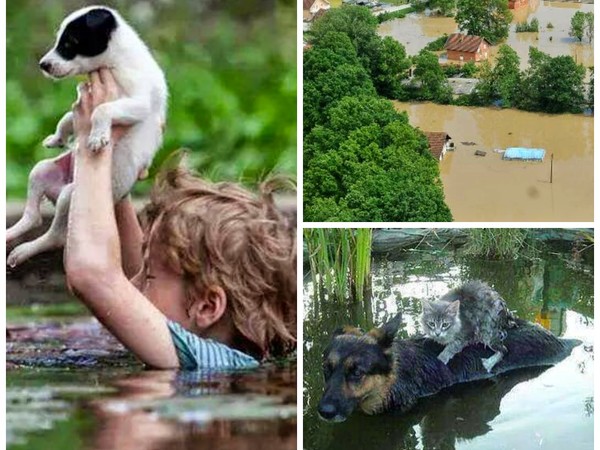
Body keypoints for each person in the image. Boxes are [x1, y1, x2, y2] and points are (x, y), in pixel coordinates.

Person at [65, 68, 296, 369]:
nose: (130, 282)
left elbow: (93, 276)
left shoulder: (204, 359)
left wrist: (92, 145)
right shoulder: (223, 347)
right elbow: (148, 275)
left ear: (207, 306)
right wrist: (116, 179)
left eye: (146, 278)